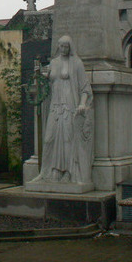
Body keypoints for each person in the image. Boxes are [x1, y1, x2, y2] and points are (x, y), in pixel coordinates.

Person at [36, 35, 94, 183]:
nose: (63, 49)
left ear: (70, 47)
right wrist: (39, 74)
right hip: (55, 106)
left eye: (66, 46)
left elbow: (85, 88)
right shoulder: (53, 63)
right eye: (61, 46)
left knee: (68, 139)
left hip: (70, 106)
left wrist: (82, 103)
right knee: (50, 138)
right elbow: (45, 82)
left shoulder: (76, 63)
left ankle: (68, 172)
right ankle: (51, 170)